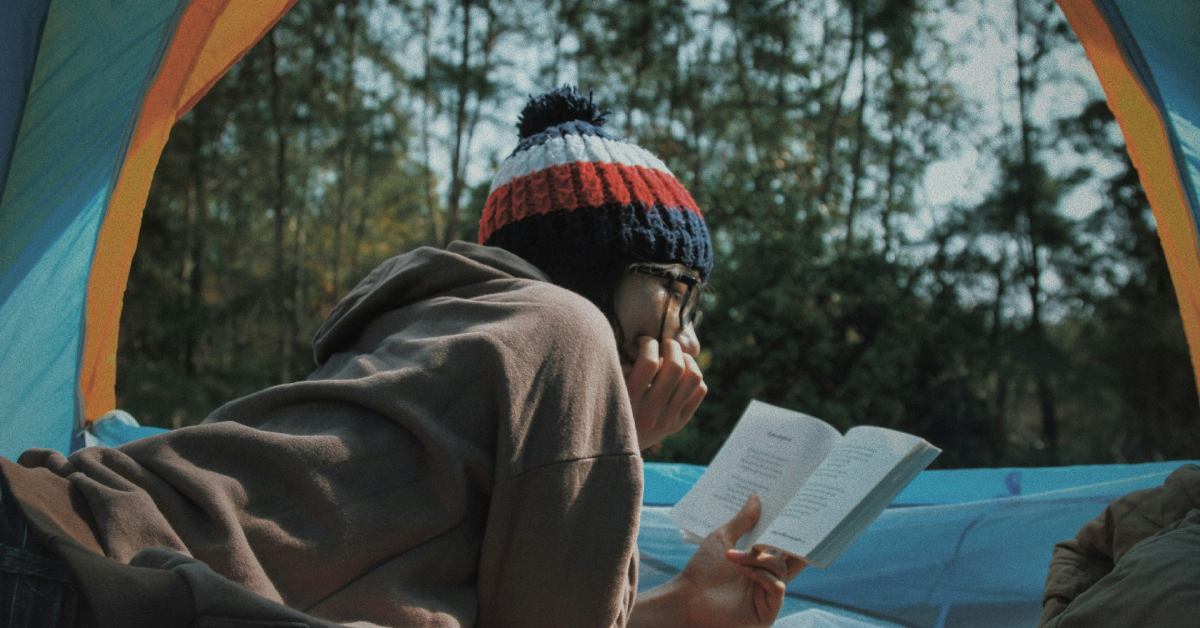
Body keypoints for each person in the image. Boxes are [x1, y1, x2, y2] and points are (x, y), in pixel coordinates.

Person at [0, 86, 803, 627]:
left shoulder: (451, 331)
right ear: (598, 273)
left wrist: (682, 602)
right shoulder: (565, 330)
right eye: (677, 291)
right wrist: (619, 438)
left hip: (52, 541)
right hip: (71, 572)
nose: (691, 335)